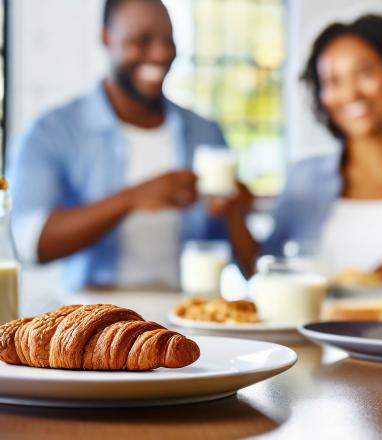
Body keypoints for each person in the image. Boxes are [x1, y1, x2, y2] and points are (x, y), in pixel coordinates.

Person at [220, 15, 382, 285]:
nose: (350, 94)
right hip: (304, 328)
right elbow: (264, 273)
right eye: (333, 81)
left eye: (365, 74)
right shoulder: (303, 177)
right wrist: (234, 214)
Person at [7, 0, 248, 290]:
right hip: (95, 322)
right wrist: (131, 199)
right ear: (107, 38)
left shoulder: (205, 133)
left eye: (167, 40)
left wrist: (236, 213)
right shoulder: (53, 131)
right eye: (141, 40)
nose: (160, 53)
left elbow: (250, 266)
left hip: (187, 319)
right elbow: (27, 243)